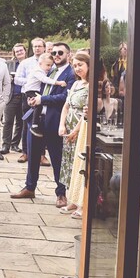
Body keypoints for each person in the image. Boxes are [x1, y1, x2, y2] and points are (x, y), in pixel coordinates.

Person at [11, 43, 76, 208]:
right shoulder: (49, 70)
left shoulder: (70, 74)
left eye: (60, 52)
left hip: (55, 121)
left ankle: (61, 193)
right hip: (37, 118)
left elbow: (65, 98)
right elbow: (34, 87)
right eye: (54, 52)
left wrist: (42, 100)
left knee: (56, 157)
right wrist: (32, 99)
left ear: (68, 54)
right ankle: (30, 187)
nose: (56, 55)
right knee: (32, 154)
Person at [58, 52, 90, 218]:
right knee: (69, 165)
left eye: (80, 65)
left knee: (80, 166)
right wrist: (61, 124)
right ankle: (73, 199)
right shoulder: (77, 84)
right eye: (75, 65)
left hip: (81, 129)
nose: (77, 68)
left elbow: (88, 112)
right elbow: (66, 105)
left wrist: (75, 131)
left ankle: (82, 203)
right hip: (68, 126)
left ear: (88, 66)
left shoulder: (91, 86)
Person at [14, 37, 50, 166]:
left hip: (43, 96)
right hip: (28, 96)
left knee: (41, 125)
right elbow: (17, 79)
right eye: (35, 46)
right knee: (26, 124)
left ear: (44, 48)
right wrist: (31, 80)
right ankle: (25, 152)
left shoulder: (49, 62)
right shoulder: (26, 62)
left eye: (39, 46)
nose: (37, 48)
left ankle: (41, 155)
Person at [23, 53, 67, 137]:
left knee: (39, 104)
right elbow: (44, 79)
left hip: (35, 90)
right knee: (39, 105)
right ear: (40, 64)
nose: (49, 67)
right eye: (47, 65)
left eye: (51, 65)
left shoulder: (43, 70)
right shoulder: (37, 71)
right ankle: (34, 125)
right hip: (30, 90)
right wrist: (58, 83)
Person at [2, 43, 27, 155]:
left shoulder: (30, 64)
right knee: (8, 121)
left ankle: (15, 144)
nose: (19, 53)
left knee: (20, 122)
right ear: (14, 53)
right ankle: (5, 145)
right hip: (11, 95)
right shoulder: (9, 65)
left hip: (25, 96)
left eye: (21, 50)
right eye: (17, 51)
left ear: (25, 51)